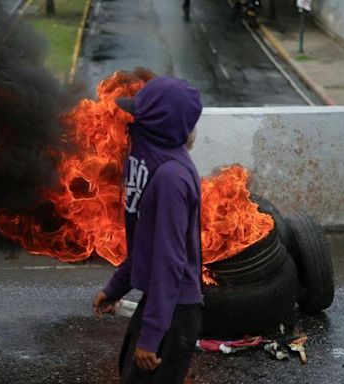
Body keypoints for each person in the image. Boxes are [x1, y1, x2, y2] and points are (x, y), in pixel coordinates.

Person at [92, 77, 203, 384]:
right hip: (161, 302)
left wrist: (152, 337)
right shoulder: (151, 166)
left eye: (138, 116)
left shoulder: (170, 177)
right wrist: (114, 289)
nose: (130, 123)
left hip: (175, 310)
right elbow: (143, 242)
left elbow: (169, 262)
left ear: (156, 123)